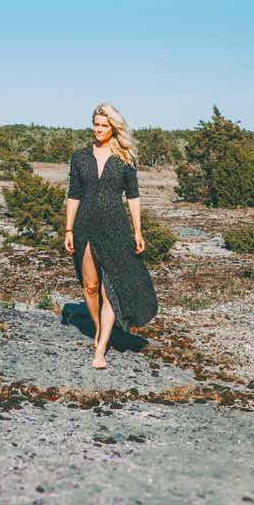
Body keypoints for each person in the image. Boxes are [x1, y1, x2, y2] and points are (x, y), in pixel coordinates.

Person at [64, 103, 158, 368]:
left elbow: (133, 197)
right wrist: (68, 229)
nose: (98, 129)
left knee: (110, 289)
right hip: (84, 227)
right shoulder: (80, 157)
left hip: (115, 227)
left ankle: (101, 348)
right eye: (96, 124)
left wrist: (138, 230)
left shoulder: (125, 158)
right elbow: (74, 194)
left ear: (114, 128)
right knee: (90, 286)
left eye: (104, 126)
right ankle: (98, 328)